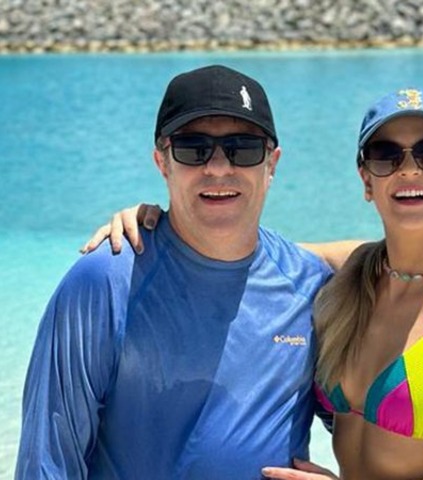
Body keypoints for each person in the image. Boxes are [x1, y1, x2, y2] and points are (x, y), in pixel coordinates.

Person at [84, 88, 423, 479]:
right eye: (386, 154)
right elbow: (235, 251)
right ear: (367, 180)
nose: (409, 170)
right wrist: (157, 225)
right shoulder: (352, 271)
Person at [15, 64, 359, 479]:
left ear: (272, 163)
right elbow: (47, 462)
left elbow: (376, 441)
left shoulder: (312, 288)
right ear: (162, 162)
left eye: (243, 149)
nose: (218, 167)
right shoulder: (105, 280)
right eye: (193, 148)